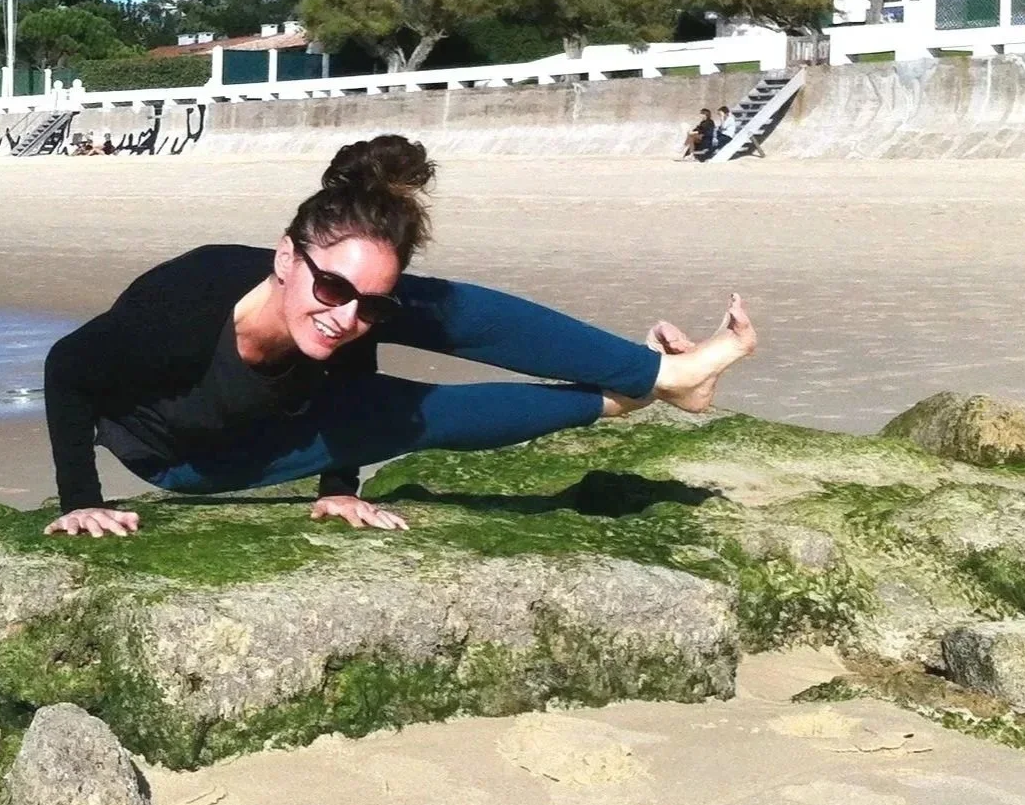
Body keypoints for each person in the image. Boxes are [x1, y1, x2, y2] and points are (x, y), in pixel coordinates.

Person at [41, 135, 757, 537]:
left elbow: (351, 393)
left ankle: (660, 377)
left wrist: (338, 485)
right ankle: (632, 394)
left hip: (280, 417)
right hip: (181, 456)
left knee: (412, 317)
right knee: (412, 414)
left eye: (366, 304)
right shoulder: (184, 311)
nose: (345, 314)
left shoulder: (352, 309)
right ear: (286, 256)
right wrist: (80, 498)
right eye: (329, 286)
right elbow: (67, 368)